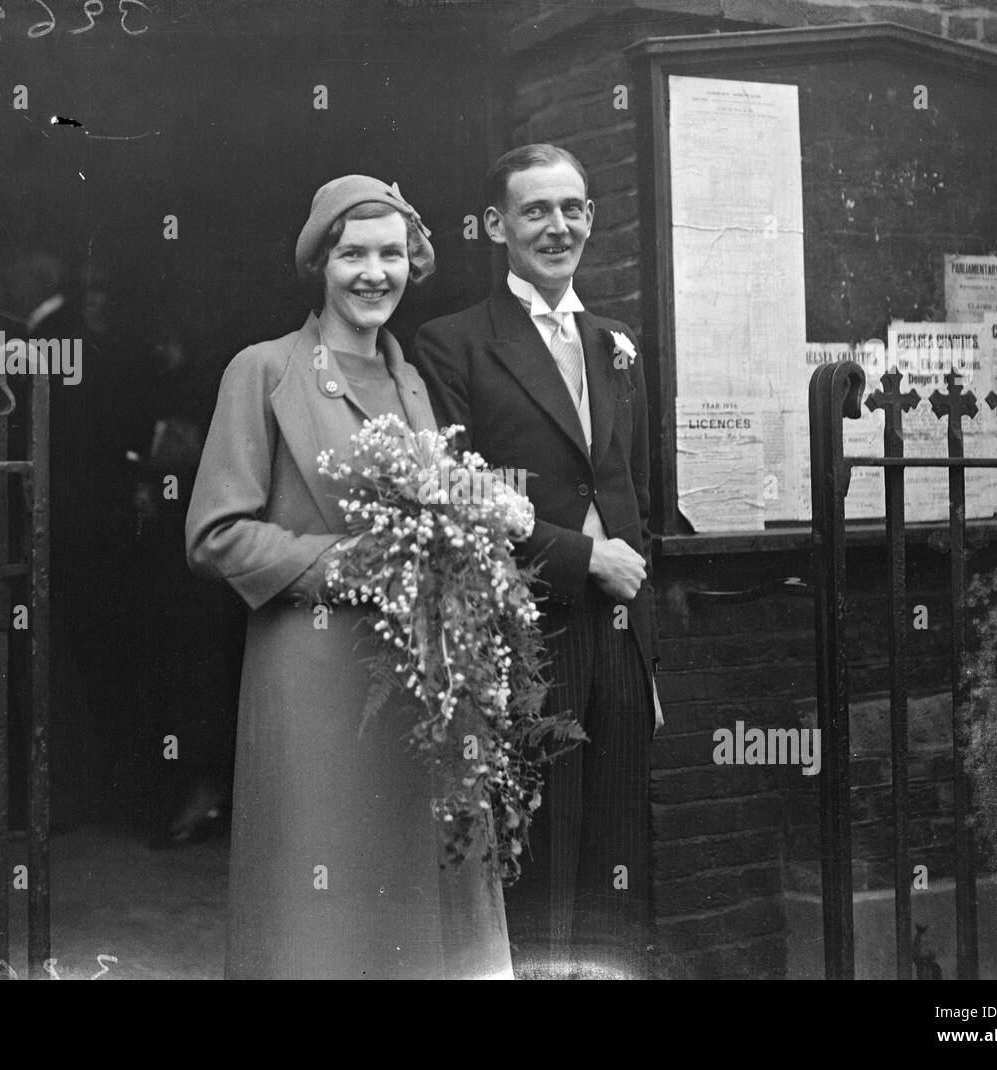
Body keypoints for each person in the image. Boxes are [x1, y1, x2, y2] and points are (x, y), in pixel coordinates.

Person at [184, 175, 513, 979]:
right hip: (315, 674)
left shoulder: (413, 382)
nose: (375, 274)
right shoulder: (263, 372)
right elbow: (214, 533)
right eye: (353, 254)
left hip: (416, 677)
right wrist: (349, 565)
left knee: (415, 889)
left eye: (392, 255)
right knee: (319, 885)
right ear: (320, 265)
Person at [412, 144, 662, 978]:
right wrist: (583, 557)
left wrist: (644, 649)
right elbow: (455, 494)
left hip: (621, 634)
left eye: (573, 208)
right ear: (496, 227)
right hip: (528, 631)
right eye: (535, 211)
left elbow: (631, 489)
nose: (559, 227)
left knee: (620, 851)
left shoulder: (616, 341)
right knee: (542, 856)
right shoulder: (453, 344)